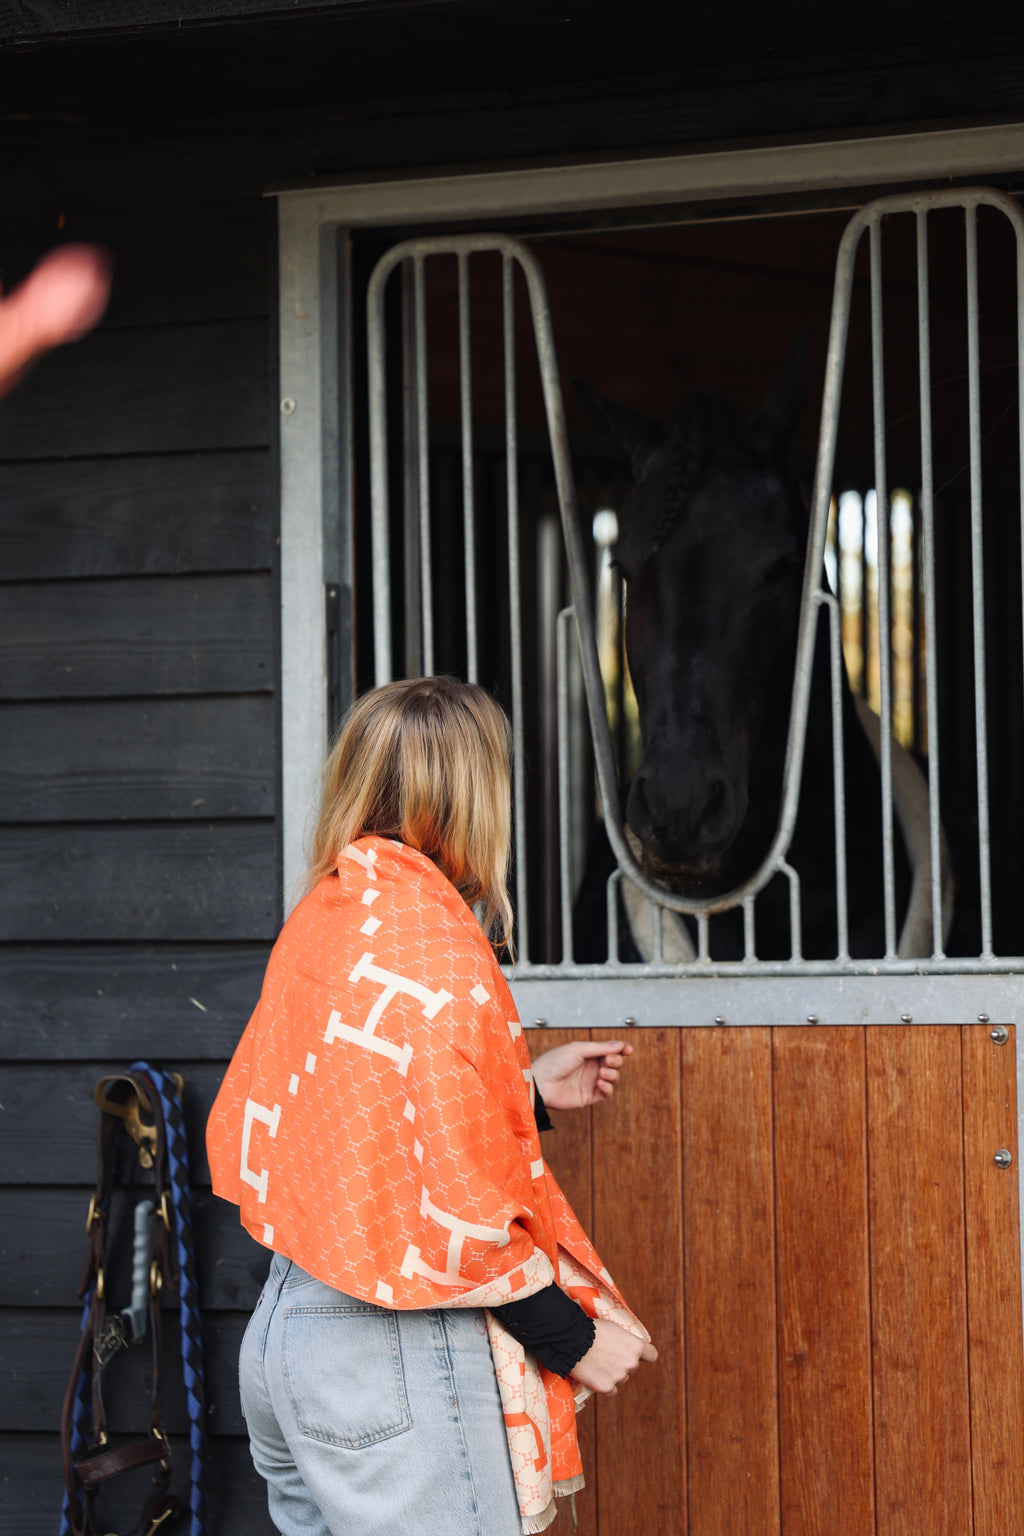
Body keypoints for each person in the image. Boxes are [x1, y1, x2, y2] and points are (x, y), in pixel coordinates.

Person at [207, 675, 656, 1536]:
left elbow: (356, 1112)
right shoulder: (435, 943)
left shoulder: (332, 911)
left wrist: (526, 1090)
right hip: (387, 1352)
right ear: (474, 794)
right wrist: (569, 1335)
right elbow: (453, 1204)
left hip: (286, 1336)